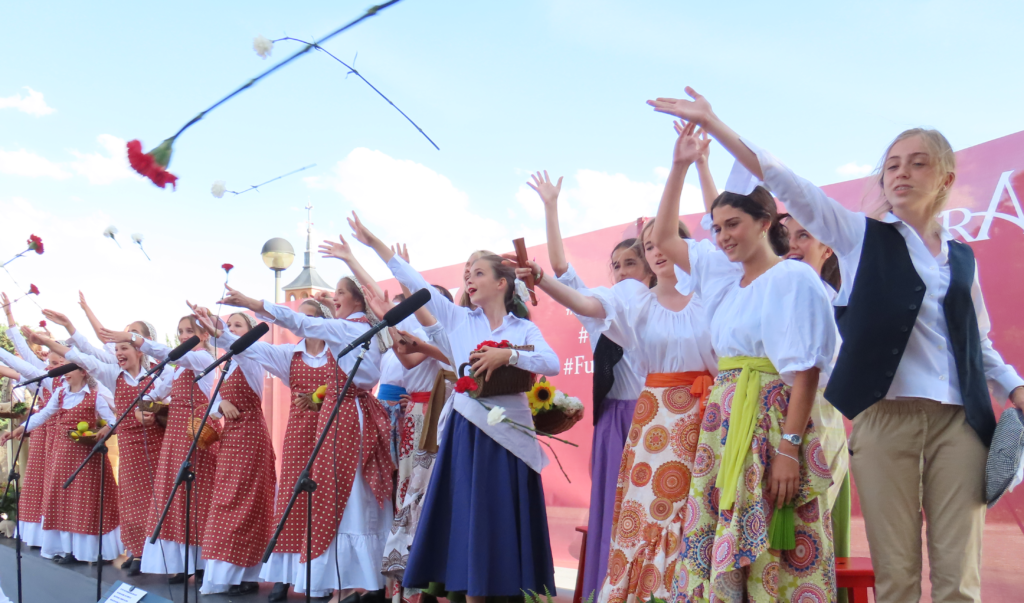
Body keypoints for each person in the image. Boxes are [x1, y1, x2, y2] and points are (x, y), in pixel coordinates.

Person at [649, 87, 1024, 603]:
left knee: (959, 576)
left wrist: (1014, 386)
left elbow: (975, 340)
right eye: (892, 164)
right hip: (884, 419)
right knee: (898, 574)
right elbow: (790, 184)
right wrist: (715, 125)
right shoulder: (858, 236)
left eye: (918, 164)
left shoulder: (961, 258)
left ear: (946, 179)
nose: (901, 173)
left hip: (960, 422)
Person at [650, 118, 839, 601]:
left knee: (778, 531)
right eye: (716, 228)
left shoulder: (794, 279)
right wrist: (678, 167)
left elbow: (806, 370)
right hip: (723, 421)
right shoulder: (723, 280)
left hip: (772, 420)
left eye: (733, 224)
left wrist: (790, 449)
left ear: (765, 222)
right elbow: (667, 239)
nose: (723, 236)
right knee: (719, 533)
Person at [349, 212, 560, 601]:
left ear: (501, 282)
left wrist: (508, 355)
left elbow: (552, 363)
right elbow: (412, 282)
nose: (469, 278)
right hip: (469, 433)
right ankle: (473, 594)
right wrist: (373, 243)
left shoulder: (522, 329)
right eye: (466, 272)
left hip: (511, 436)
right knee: (471, 521)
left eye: (478, 272)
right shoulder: (460, 320)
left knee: (501, 520)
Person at [516, 211, 715, 603]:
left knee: (697, 516)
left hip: (708, 417)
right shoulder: (634, 299)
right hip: (654, 422)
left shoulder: (713, 293)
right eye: (648, 245)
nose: (656, 251)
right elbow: (584, 300)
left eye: (662, 242)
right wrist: (542, 279)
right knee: (646, 519)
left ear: (686, 244)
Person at [523, 169, 658, 601]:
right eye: (615, 266)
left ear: (653, 266)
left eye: (630, 263)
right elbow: (562, 271)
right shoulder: (603, 309)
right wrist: (550, 206)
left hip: (658, 418)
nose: (621, 272)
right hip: (616, 420)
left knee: (654, 512)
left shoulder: (667, 307)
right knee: (614, 514)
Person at [218, 276, 390, 603]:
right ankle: (352, 583)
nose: (334, 297)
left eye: (340, 293)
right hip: (332, 420)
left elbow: (297, 321)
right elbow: (262, 348)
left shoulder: (349, 329)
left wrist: (253, 304)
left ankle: (360, 584)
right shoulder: (340, 333)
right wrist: (222, 333)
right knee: (335, 500)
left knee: (350, 500)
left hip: (345, 417)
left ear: (356, 300)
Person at [196, 299, 337, 602]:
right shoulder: (288, 354)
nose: (305, 324)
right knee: (291, 496)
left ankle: (318, 579)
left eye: (312, 318)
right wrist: (219, 333)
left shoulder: (339, 354)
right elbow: (250, 349)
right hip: (299, 433)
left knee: (324, 498)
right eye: (302, 318)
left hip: (330, 430)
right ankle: (284, 576)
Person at [44, 309, 168, 576]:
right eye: (117, 347)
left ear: (141, 349)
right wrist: (59, 334)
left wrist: (156, 409)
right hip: (130, 447)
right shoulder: (115, 375)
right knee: (131, 500)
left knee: (156, 500)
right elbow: (81, 356)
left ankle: (157, 553)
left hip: (157, 445)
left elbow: (174, 400)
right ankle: (137, 552)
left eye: (126, 346)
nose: (118, 352)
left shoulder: (158, 375)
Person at [105, 316, 220, 584]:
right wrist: (143, 406)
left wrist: (137, 341)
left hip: (194, 434)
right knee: (177, 498)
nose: (183, 336)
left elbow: (169, 356)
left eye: (189, 331)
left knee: (198, 497)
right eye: (180, 331)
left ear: (204, 335)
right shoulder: (178, 368)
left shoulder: (203, 359)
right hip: (175, 438)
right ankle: (184, 562)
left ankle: (202, 563)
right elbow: (156, 390)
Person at [182, 309, 277, 596]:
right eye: (231, 325)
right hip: (231, 438)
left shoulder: (250, 360)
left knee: (246, 503)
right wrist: (221, 405)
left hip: (250, 436)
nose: (233, 329)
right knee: (226, 501)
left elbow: (241, 351)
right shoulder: (227, 365)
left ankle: (246, 573)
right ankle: (226, 574)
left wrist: (219, 327)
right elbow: (214, 400)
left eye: (239, 326)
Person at [1, 359, 122, 564]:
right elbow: (43, 415)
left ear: (83, 371)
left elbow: (112, 419)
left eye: (69, 369)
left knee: (84, 502)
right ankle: (68, 550)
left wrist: (105, 429)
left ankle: (90, 552)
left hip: (85, 457)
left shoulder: (95, 396)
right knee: (62, 501)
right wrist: (17, 430)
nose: (64, 373)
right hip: (62, 456)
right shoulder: (61, 393)